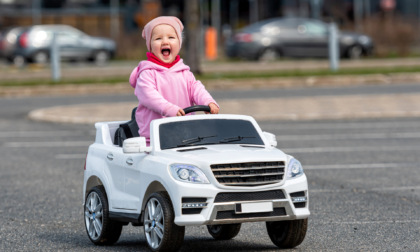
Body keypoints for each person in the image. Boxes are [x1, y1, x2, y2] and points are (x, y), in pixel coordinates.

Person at [129, 16, 219, 142]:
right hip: (155, 138)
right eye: (158, 38)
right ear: (150, 45)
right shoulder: (147, 73)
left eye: (171, 37)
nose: (165, 42)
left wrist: (208, 102)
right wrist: (169, 109)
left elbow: (196, 89)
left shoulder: (185, 73)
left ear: (179, 43)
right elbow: (149, 96)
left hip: (186, 134)